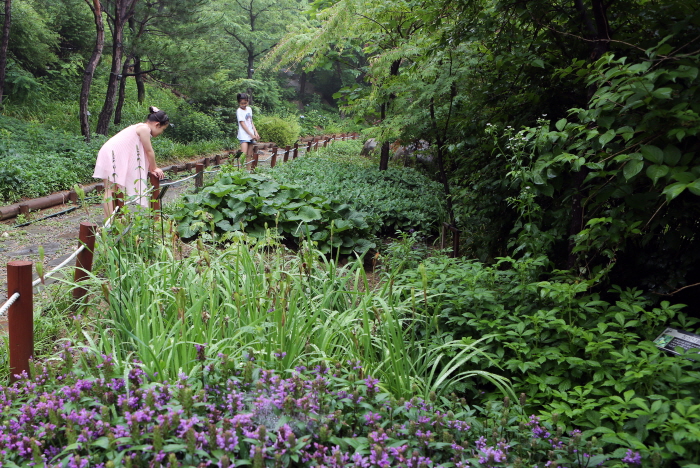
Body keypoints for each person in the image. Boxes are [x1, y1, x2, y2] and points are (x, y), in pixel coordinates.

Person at [93, 106, 168, 217]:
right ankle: (110, 221)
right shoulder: (144, 129)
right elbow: (149, 151)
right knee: (110, 190)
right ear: (157, 125)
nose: (161, 132)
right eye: (163, 129)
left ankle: (112, 221)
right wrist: (154, 168)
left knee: (111, 189)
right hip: (112, 154)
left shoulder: (140, 127)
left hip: (111, 152)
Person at [236, 93, 260, 162]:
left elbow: (251, 121)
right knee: (243, 155)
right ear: (238, 102)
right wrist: (251, 134)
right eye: (242, 103)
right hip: (244, 135)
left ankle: (248, 171)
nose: (244, 105)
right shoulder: (239, 111)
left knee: (249, 155)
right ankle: (240, 171)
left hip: (251, 135)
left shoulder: (249, 109)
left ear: (248, 101)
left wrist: (255, 132)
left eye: (245, 103)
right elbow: (242, 124)